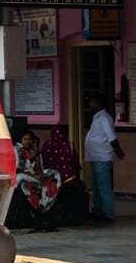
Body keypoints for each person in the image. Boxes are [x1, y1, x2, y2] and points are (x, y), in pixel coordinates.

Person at [83, 93, 124, 222]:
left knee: (104, 186)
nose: (89, 104)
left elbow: (111, 137)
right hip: (96, 157)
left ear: (97, 102)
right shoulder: (97, 117)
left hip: (102, 157)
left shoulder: (104, 118)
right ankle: (98, 210)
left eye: (91, 101)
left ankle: (107, 213)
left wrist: (118, 151)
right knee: (96, 186)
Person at [41, 125, 89, 226]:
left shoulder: (47, 145)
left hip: (51, 179)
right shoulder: (68, 145)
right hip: (69, 179)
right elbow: (75, 162)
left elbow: (44, 162)